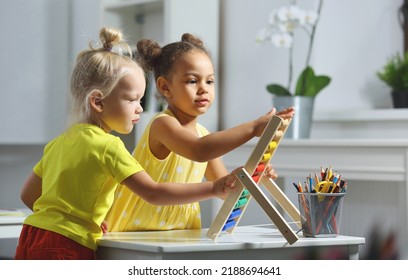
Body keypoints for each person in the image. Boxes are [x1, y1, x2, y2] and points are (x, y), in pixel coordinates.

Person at [14, 27, 240, 260]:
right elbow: (154, 193)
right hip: (68, 244)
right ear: (98, 102)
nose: (140, 108)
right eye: (132, 100)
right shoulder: (109, 147)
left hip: (32, 234)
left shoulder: (59, 142)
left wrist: (57, 221)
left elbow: (28, 195)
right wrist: (213, 189)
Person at [105, 33, 294, 232]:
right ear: (165, 87)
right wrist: (253, 128)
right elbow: (198, 150)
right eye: (192, 81)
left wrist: (252, 174)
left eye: (209, 81)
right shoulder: (163, 125)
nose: (203, 89)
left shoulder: (202, 134)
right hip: (133, 233)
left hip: (180, 233)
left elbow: (225, 189)